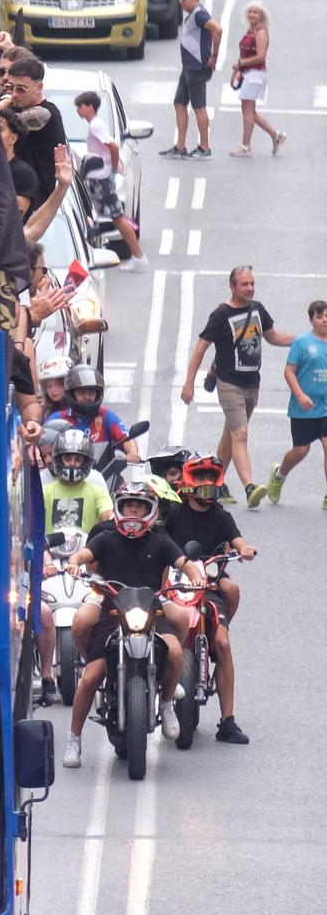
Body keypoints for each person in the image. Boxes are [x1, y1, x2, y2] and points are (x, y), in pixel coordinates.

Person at [60, 483, 200, 767]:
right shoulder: (107, 538)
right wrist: (74, 563)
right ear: (119, 508)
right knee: (90, 677)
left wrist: (196, 574)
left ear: (151, 511)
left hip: (152, 609)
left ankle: (166, 702)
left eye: (139, 506)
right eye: (128, 506)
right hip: (113, 611)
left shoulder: (159, 539)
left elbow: (184, 562)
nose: (133, 511)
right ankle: (74, 740)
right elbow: (84, 555)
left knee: (174, 653)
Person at [182, 267, 292, 501]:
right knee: (240, 434)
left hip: (252, 384)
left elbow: (274, 337)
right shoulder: (220, 315)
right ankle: (250, 487)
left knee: (230, 435)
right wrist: (189, 383)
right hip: (229, 383)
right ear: (232, 287)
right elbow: (200, 349)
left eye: (252, 283)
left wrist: (304, 339)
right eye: (244, 284)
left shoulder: (258, 309)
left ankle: (214, 483)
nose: (250, 288)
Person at [165, 457, 254, 745]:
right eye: (200, 477)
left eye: (209, 478)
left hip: (211, 586)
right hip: (178, 586)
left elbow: (237, 540)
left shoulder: (221, 516)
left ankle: (227, 721)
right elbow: (163, 542)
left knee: (223, 644)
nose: (205, 484)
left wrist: (245, 548)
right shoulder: (175, 514)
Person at [254, 300, 327, 508]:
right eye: (320, 316)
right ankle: (279, 475)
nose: (324, 320)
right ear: (312, 319)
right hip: (304, 408)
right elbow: (289, 371)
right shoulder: (302, 343)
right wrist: (300, 394)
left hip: (325, 407)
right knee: (301, 451)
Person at [72, 91, 145, 269]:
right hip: (97, 178)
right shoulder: (95, 124)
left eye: (79, 106)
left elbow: (113, 145)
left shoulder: (96, 125)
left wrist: (113, 167)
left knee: (117, 217)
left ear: (89, 106)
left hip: (101, 179)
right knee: (90, 214)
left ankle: (138, 256)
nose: (77, 110)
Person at [161, 0, 222, 159]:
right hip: (187, 67)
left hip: (197, 67)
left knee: (199, 107)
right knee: (179, 103)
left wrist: (214, 55)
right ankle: (180, 145)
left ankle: (204, 147)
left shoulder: (199, 14)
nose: (181, 2)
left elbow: (217, 29)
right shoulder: (193, 15)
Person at [229, 1, 285, 157]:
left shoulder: (261, 32)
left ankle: (246, 147)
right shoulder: (250, 30)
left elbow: (260, 57)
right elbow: (245, 54)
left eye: (255, 12)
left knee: (247, 110)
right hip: (248, 73)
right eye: (250, 12)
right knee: (250, 111)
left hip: (256, 74)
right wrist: (239, 69)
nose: (252, 15)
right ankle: (276, 135)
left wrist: (241, 64)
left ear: (262, 16)